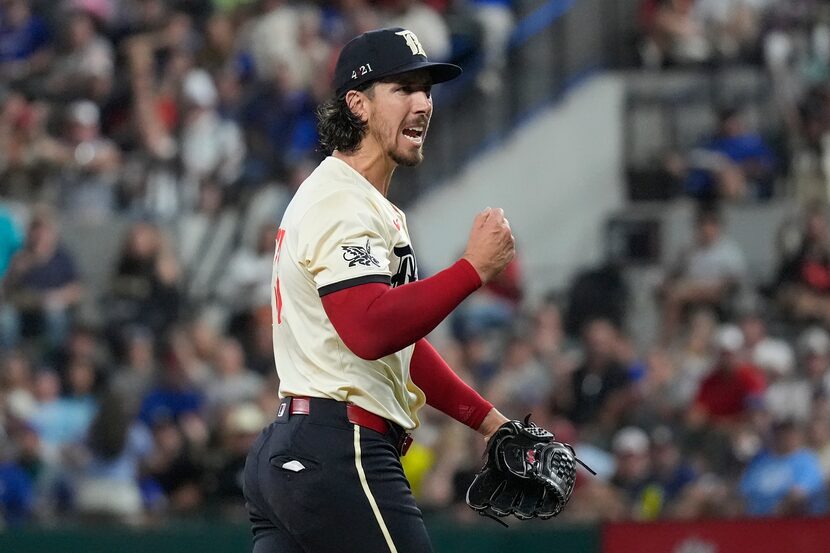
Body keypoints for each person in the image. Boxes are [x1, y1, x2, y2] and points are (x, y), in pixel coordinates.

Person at [243, 27, 515, 553]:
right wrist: (471, 271)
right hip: (339, 447)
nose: (422, 104)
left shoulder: (361, 200)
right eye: (403, 89)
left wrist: (490, 423)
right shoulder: (340, 200)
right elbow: (369, 328)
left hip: (300, 449)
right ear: (358, 105)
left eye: (427, 90)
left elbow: (398, 349)